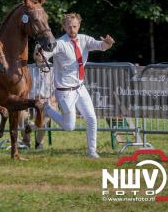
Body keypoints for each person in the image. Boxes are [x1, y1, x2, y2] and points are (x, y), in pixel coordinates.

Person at [35, 13, 115, 158]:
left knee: (91, 118)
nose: (72, 29)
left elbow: (100, 46)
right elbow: (43, 57)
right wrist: (39, 55)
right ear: (64, 27)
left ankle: (92, 151)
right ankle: (47, 108)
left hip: (80, 87)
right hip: (65, 91)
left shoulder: (85, 39)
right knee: (69, 127)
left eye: (74, 26)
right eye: (69, 26)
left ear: (79, 26)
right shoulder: (59, 43)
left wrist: (107, 44)